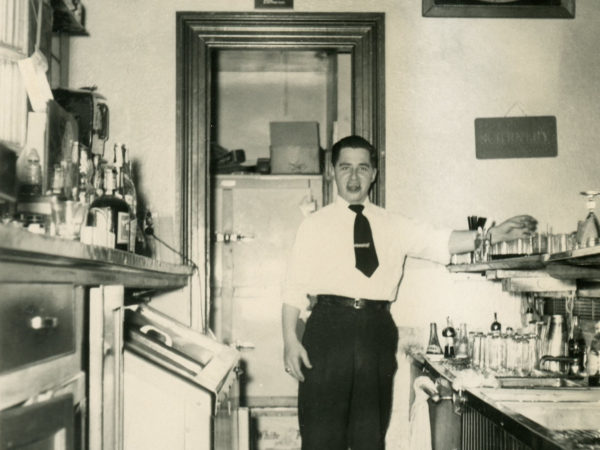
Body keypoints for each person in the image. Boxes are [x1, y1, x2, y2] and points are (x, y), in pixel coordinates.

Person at [281, 135, 537, 450]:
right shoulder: (314, 225)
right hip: (327, 329)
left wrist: (492, 235)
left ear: (374, 173)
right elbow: (293, 287)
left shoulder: (394, 224)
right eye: (345, 167)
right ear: (332, 171)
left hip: (376, 330)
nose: (353, 177)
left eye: (362, 168)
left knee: (369, 437)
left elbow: (440, 241)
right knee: (321, 437)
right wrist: (290, 340)